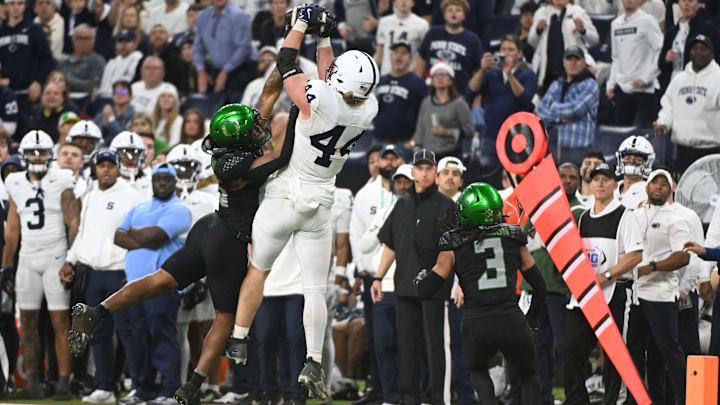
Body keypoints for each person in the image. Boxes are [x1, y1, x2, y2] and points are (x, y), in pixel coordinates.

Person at [70, 77, 293, 405]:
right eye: (253, 131)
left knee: (160, 280)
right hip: (229, 239)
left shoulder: (232, 147)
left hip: (209, 229)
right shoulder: (241, 164)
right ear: (242, 138)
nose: (260, 131)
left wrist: (285, 66)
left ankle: (96, 312)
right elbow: (284, 151)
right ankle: (193, 384)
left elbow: (268, 94)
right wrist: (302, 111)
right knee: (226, 317)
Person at [226, 6, 379, 400]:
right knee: (314, 288)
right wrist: (325, 36)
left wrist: (300, 25)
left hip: (287, 191)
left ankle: (239, 337)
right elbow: (332, 77)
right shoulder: (368, 108)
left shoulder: (317, 98)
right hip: (322, 200)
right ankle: (313, 359)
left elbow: (285, 62)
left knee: (258, 269)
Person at [413, 182, 546, 405]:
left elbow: (427, 289)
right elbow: (539, 287)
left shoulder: (453, 242)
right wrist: (531, 317)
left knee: (479, 371)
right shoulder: (513, 236)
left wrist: (420, 279)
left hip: (477, 322)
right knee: (529, 374)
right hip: (511, 318)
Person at [368, 150, 455, 405]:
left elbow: (451, 253)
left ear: (435, 173)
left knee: (435, 350)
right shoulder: (402, 203)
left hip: (434, 290)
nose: (425, 173)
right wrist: (378, 277)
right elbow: (391, 245)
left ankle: (439, 399)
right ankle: (409, 400)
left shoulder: (446, 206)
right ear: (413, 172)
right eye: (421, 168)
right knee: (406, 350)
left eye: (429, 168)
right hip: (404, 288)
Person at [58, 149, 144, 403]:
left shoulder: (133, 196)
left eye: (110, 165)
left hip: (121, 273)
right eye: (101, 165)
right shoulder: (90, 193)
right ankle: (105, 386)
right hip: (93, 274)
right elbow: (83, 233)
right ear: (94, 168)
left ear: (118, 168)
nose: (105, 169)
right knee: (100, 334)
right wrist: (70, 260)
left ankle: (140, 386)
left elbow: (140, 235)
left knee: (129, 332)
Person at [1, 130, 80, 399]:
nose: (37, 156)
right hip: (27, 257)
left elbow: (74, 222)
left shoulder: (62, 179)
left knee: (60, 323)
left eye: (41, 152)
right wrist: (6, 265)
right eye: (32, 152)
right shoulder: (14, 181)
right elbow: (12, 229)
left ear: (49, 155)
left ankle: (63, 384)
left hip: (56, 255)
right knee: (28, 320)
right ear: (23, 156)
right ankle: (33, 382)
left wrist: (71, 258)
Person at [562, 162, 644, 405]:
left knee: (614, 354)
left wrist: (607, 276)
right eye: (595, 179)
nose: (599, 183)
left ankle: (613, 402)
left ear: (615, 185)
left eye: (605, 179)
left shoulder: (624, 215)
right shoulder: (584, 217)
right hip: (586, 295)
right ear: (589, 184)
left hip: (615, 292)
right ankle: (577, 400)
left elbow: (635, 254)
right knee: (569, 347)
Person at [626, 168, 689, 405]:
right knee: (634, 349)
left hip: (662, 296)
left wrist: (651, 267)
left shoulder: (676, 218)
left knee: (667, 350)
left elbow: (683, 257)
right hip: (637, 295)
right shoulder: (635, 215)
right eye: (655, 183)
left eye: (664, 185)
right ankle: (636, 399)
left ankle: (682, 399)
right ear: (646, 186)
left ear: (671, 189)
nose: (659, 188)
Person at [349, 144, 403, 405]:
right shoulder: (364, 195)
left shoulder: (408, 193)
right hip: (374, 276)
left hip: (402, 276)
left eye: (395, 158)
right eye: (386, 158)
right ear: (378, 163)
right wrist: (361, 270)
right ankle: (380, 390)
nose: (390, 162)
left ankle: (403, 392)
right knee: (377, 337)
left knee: (402, 338)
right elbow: (355, 234)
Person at [356, 163, 412, 405]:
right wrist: (386, 227)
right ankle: (390, 397)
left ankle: (410, 396)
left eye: (406, 182)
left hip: (408, 288)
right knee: (383, 344)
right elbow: (364, 245)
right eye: (398, 181)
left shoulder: (419, 211)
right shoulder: (385, 210)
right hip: (383, 287)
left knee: (409, 347)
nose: (401, 186)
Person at [468, 35, 538, 166]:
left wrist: (509, 75)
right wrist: (482, 69)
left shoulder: (528, 75)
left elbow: (525, 98)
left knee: (514, 178)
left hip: (517, 138)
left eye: (511, 49)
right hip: (491, 136)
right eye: (503, 49)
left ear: (519, 53)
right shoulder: (490, 74)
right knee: (488, 175)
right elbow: (470, 91)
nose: (506, 53)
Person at [655, 35, 720, 174]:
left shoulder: (718, 78)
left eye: (703, 49)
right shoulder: (679, 79)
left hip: (712, 150)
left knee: (711, 193)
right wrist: (664, 123)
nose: (698, 52)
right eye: (695, 48)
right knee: (683, 193)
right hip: (682, 152)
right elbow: (668, 106)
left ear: (712, 54)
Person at [536, 45, 599, 165]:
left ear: (584, 62)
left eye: (577, 59)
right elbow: (541, 113)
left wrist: (553, 108)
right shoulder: (556, 84)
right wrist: (561, 118)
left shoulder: (590, 84)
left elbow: (575, 110)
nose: (573, 62)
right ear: (563, 62)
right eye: (569, 59)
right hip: (553, 147)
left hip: (579, 149)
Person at [607, 0, 663, 126]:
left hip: (645, 90)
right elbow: (616, 57)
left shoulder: (648, 21)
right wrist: (611, 84)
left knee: (649, 135)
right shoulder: (615, 24)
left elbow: (660, 51)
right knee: (620, 136)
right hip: (623, 87)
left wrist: (646, 78)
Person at [527, 0, 599, 93]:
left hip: (572, 70)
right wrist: (538, 30)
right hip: (547, 71)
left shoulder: (578, 12)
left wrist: (583, 30)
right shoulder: (541, 12)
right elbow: (532, 42)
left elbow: (594, 40)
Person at [0, 0, 56, 116]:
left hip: (29, 93)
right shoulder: (1, 31)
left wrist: (38, 81)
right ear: (6, 6)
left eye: (20, 3)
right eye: (12, 3)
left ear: (25, 6)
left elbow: (47, 59)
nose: (16, 8)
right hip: (6, 92)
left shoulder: (34, 29)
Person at [415, 0, 482, 91]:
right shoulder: (432, 33)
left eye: (458, 10)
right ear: (444, 14)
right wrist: (419, 84)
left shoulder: (473, 39)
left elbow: (477, 70)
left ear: (464, 15)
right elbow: (421, 59)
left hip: (459, 94)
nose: (453, 13)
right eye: (450, 10)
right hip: (430, 91)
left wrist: (475, 96)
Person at [193, 0, 258, 94]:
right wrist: (201, 71)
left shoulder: (239, 16)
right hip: (216, 69)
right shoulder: (202, 16)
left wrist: (225, 71)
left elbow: (244, 48)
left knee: (232, 102)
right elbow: (197, 47)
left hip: (241, 68)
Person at [413, 61, 473, 159]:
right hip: (428, 156)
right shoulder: (426, 102)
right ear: (432, 80)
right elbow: (420, 128)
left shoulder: (459, 104)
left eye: (444, 74)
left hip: (451, 154)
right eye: (436, 75)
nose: (440, 77)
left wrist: (449, 132)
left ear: (450, 80)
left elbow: (470, 130)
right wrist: (417, 148)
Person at [658, 0, 720, 91]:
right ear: (678, 4)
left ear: (698, 5)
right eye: (683, 1)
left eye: (690, 1)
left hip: (699, 86)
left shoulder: (709, 29)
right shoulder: (671, 32)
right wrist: (667, 59)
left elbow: (717, 59)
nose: (686, 4)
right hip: (673, 85)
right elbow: (661, 64)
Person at [373, 42, 427, 145]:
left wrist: (413, 141)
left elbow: (424, 115)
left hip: (404, 141)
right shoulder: (380, 80)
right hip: (379, 139)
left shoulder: (418, 83)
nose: (399, 56)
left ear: (410, 58)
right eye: (396, 52)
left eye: (404, 53)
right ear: (390, 56)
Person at [374, 0, 429, 76]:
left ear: (413, 3)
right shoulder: (383, 22)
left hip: (409, 75)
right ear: (394, 3)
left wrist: (417, 76)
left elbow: (424, 55)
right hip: (386, 74)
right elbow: (379, 53)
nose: (404, 1)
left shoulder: (422, 25)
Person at [57, 24, 107, 94]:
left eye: (86, 38)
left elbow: (94, 86)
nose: (82, 42)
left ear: (93, 42)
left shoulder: (98, 61)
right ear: (73, 41)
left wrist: (66, 81)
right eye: (79, 38)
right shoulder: (63, 61)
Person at [98, 31, 144, 98]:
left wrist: (116, 92)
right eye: (120, 41)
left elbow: (131, 88)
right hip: (104, 97)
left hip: (122, 98)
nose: (123, 44)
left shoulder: (138, 60)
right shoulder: (111, 62)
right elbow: (103, 85)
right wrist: (99, 92)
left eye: (127, 41)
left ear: (135, 44)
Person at [614, 135, 654, 209]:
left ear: (647, 162)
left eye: (638, 158)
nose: (631, 161)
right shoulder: (612, 188)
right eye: (627, 157)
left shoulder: (651, 191)